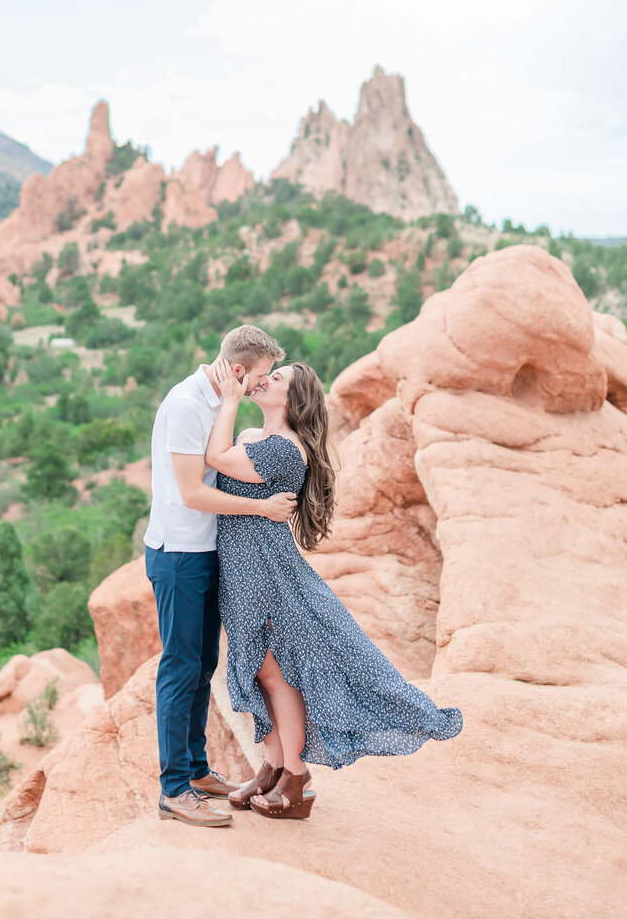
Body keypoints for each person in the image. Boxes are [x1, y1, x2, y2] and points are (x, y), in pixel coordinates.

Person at [206, 359, 463, 820]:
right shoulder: (252, 437)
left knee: (275, 673)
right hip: (240, 568)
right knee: (258, 671)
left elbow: (216, 460)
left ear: (293, 399)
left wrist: (228, 399)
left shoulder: (286, 449)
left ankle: (296, 777)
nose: (266, 379)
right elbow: (228, 458)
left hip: (266, 571)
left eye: (278, 377)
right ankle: (274, 764)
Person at [144, 325, 297, 828]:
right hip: (181, 554)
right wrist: (261, 510)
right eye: (259, 377)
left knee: (204, 664)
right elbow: (192, 492)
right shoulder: (189, 405)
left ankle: (196, 770)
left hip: (206, 550)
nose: (261, 385)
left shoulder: (218, 402)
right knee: (180, 668)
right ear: (237, 370)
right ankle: (173, 791)